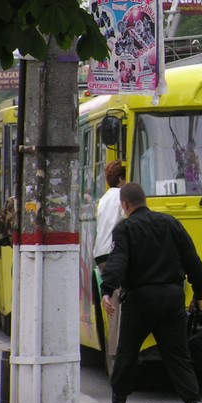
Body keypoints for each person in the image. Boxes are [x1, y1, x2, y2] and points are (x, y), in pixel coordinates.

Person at [100, 183, 202, 403]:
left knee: (127, 353)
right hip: (171, 298)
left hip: (140, 300)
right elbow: (193, 261)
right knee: (178, 356)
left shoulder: (125, 229)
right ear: (145, 199)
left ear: (125, 205)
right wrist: (198, 292)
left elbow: (118, 261)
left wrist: (107, 290)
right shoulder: (171, 223)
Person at [93, 160, 127, 374]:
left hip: (101, 254)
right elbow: (127, 219)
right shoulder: (122, 196)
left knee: (113, 303)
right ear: (122, 178)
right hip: (114, 252)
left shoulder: (104, 198)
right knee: (122, 301)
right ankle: (119, 355)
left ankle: (114, 353)